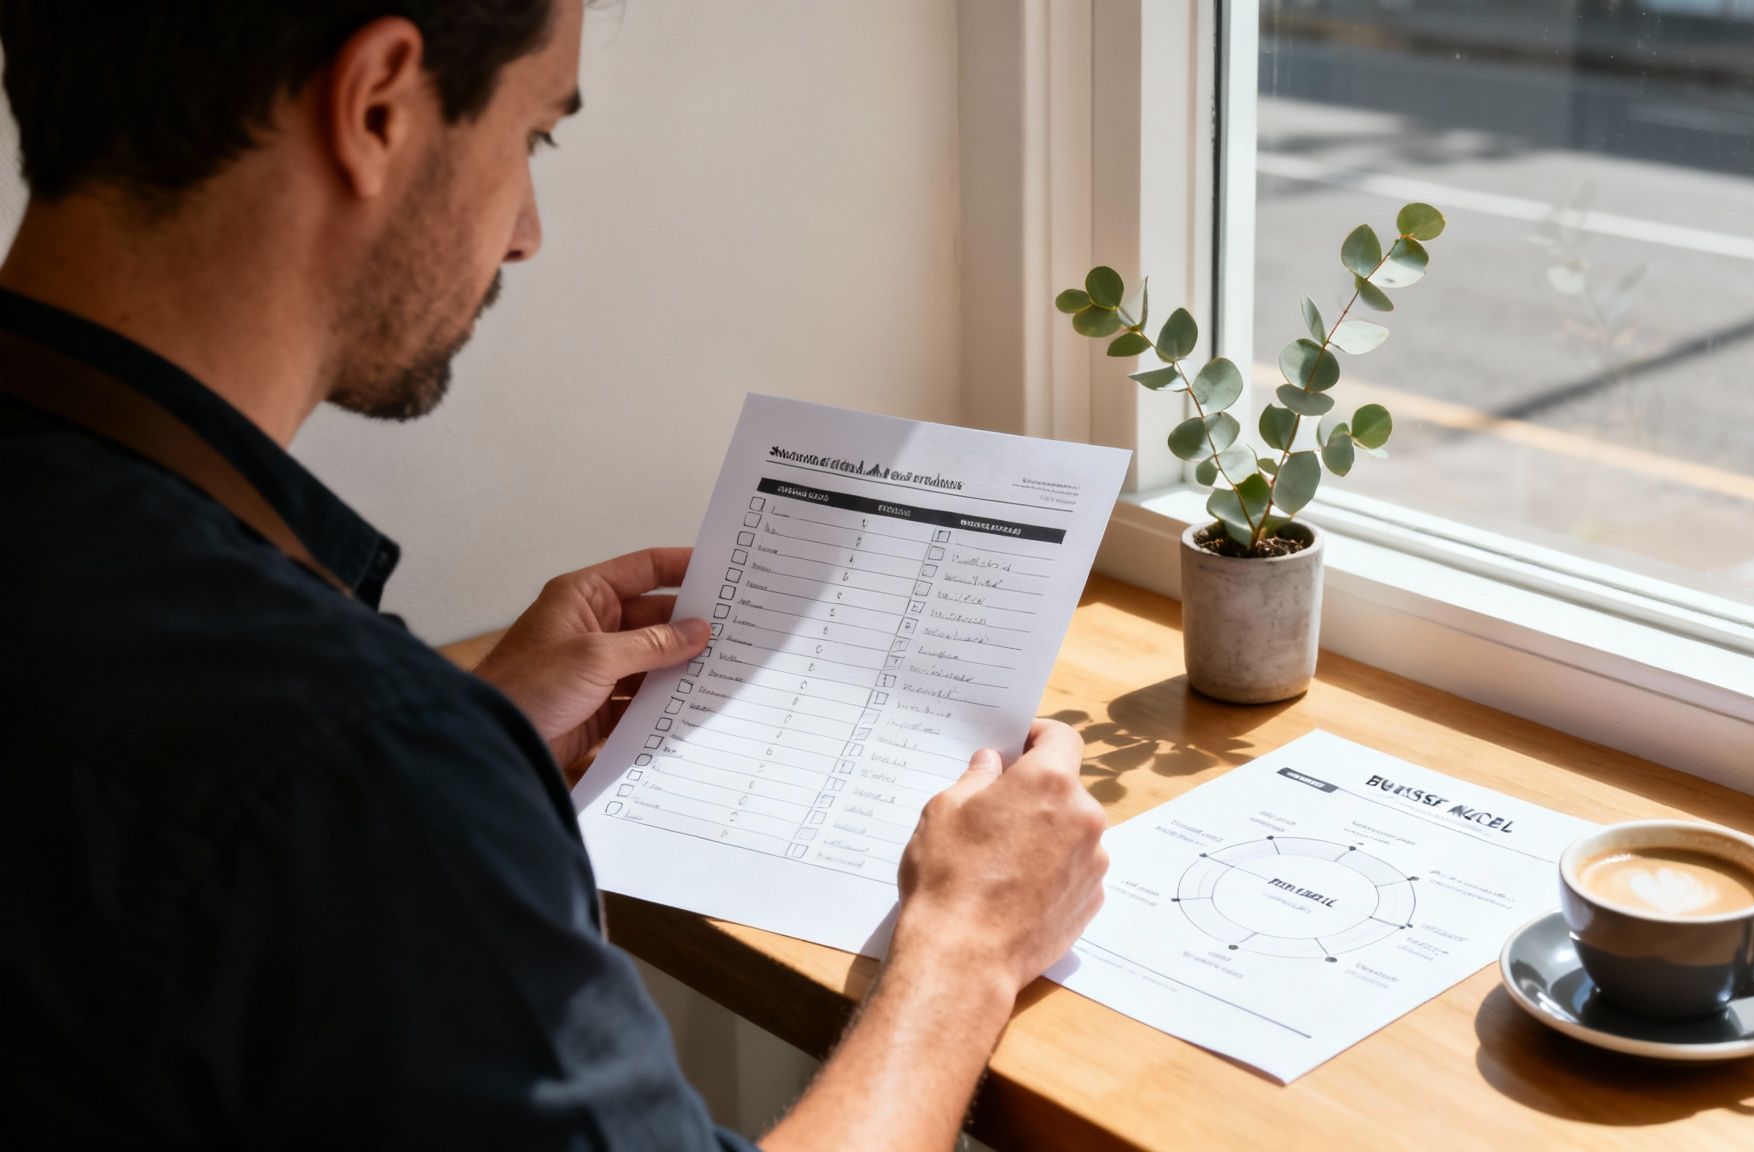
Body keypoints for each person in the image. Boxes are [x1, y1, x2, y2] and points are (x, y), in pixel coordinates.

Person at [0, 3, 1108, 1148]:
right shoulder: (345, 757)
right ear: (376, 103)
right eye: (534, 135)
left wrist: (483, 739)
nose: (524, 231)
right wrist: (964, 956)